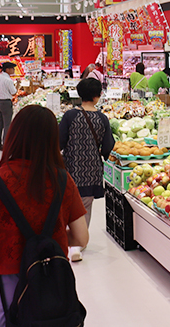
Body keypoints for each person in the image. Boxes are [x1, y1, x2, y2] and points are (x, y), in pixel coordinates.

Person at [0, 105, 89, 327]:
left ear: (13, 135)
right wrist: (48, 241)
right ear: (53, 140)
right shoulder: (63, 180)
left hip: (7, 283)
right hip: (53, 282)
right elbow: (81, 238)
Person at [58, 78, 114, 247]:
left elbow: (59, 141)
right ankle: (79, 242)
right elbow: (108, 145)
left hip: (71, 168)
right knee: (85, 207)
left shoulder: (70, 115)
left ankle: (66, 239)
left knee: (67, 205)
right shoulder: (102, 118)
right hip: (91, 171)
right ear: (98, 96)